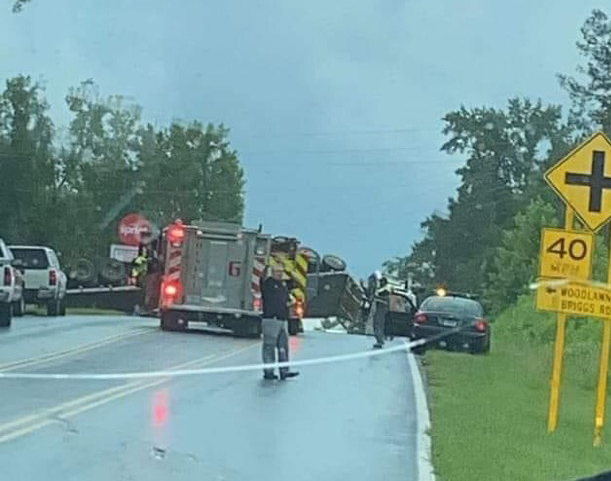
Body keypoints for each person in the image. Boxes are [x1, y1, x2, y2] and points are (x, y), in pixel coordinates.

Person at [261, 264, 300, 381]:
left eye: (281, 272)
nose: (279, 273)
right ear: (272, 272)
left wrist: (289, 304)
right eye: (277, 271)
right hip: (271, 320)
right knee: (269, 347)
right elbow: (261, 280)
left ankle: (284, 371)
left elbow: (287, 298)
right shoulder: (268, 283)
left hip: (282, 320)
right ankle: (269, 372)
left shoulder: (283, 285)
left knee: (283, 347)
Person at [371, 275, 392, 349]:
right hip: (379, 309)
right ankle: (379, 340)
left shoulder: (386, 290)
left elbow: (384, 300)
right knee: (377, 325)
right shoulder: (382, 289)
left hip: (381, 310)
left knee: (378, 325)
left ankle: (380, 340)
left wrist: (376, 298)